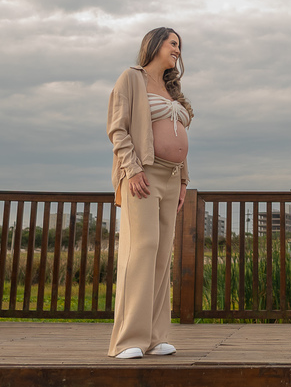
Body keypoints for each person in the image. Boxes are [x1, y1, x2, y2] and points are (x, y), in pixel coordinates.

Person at [106, 27, 193, 359]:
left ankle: (156, 337)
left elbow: (180, 140)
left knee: (161, 255)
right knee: (140, 251)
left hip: (172, 179)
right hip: (142, 175)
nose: (178, 50)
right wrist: (132, 168)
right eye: (173, 43)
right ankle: (128, 340)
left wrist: (184, 180)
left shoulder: (171, 91)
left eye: (179, 46)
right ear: (155, 44)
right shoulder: (132, 79)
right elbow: (118, 127)